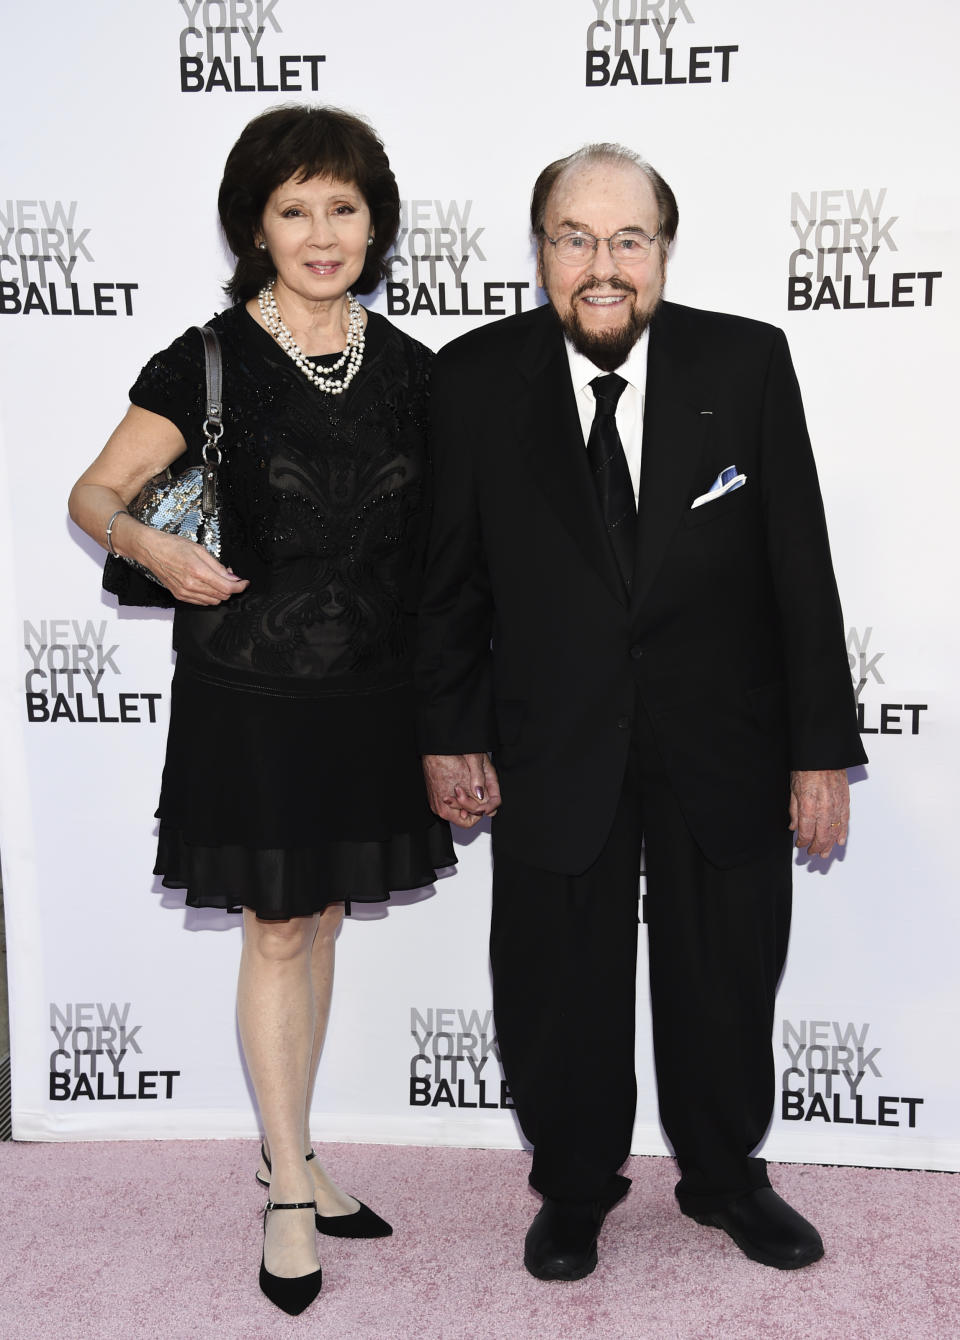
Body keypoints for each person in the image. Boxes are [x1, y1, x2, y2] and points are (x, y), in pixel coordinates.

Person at [417, 143, 866, 1281]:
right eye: (575, 238)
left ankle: (725, 1176)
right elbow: (448, 581)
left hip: (725, 736)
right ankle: (573, 1188)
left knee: (725, 972)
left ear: (664, 248)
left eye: (629, 239)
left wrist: (820, 752)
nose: (602, 266)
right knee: (554, 980)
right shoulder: (474, 377)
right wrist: (450, 726)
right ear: (540, 250)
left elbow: (798, 567)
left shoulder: (747, 361)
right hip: (551, 735)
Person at [68, 105, 454, 1316]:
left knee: (324, 917)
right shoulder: (208, 359)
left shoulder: (413, 371)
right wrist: (146, 544)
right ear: (256, 225)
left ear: (376, 220)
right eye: (294, 208)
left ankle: (294, 1147)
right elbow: (93, 492)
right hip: (252, 696)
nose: (322, 232)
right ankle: (289, 1184)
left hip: (373, 701)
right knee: (278, 930)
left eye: (342, 206)